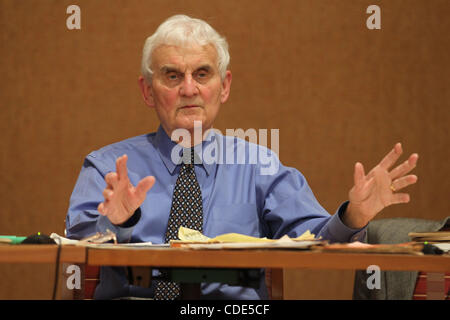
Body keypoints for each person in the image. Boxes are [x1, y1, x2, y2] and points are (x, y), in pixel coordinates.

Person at [65, 14, 419, 300]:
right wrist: (117, 224)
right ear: (147, 90)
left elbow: (316, 241)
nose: (189, 89)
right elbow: (74, 252)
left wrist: (354, 214)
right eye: (172, 76)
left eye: (202, 73)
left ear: (225, 86)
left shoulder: (260, 167)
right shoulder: (109, 167)